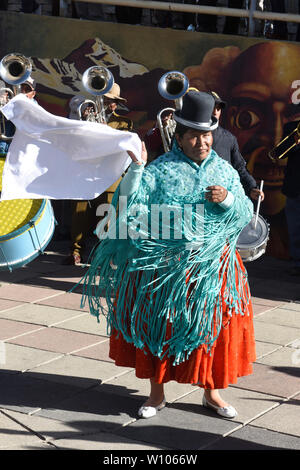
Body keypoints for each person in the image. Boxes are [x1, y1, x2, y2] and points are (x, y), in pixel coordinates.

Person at [82, 91, 256, 419]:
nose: (202, 142)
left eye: (207, 135)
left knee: (213, 331)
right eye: (194, 136)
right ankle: (156, 394)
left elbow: (245, 213)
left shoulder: (225, 171)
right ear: (180, 136)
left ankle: (212, 393)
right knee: (160, 328)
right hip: (166, 268)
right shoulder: (160, 170)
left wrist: (229, 200)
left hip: (212, 269)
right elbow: (129, 208)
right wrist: (136, 170)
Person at [63, 84, 133, 265]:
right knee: (79, 216)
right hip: (85, 175)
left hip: (110, 177)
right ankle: (76, 252)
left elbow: (121, 146)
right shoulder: (84, 119)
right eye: (106, 101)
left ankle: (107, 256)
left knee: (107, 219)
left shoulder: (124, 122)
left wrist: (105, 130)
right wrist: (83, 122)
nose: (110, 105)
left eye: (112, 102)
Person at [209, 91, 264, 202]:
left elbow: (240, 168)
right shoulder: (187, 137)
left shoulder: (229, 139)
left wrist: (252, 188)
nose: (215, 111)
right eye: (211, 107)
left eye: (218, 108)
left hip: (221, 201)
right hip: (195, 201)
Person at [281, 120, 300, 276]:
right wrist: (294, 141)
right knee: (295, 228)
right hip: (295, 186)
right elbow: (281, 153)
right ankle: (297, 263)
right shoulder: (291, 128)